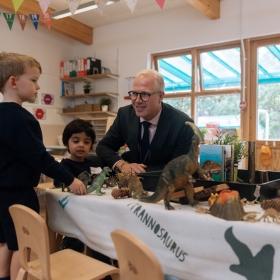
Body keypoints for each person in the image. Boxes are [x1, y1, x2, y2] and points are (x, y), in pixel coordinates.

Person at [0, 52, 86, 280]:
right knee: (22, 245)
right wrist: (70, 179)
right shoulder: (22, 118)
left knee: (5, 242)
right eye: (34, 80)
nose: (38, 87)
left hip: (1, 193)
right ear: (14, 82)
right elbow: (39, 157)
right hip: (18, 195)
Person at [96, 69, 194, 175]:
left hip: (163, 182)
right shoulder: (125, 115)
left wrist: (137, 172)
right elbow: (103, 147)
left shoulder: (183, 125)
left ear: (160, 97)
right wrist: (122, 165)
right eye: (134, 93)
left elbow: (178, 168)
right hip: (130, 181)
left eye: (145, 94)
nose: (137, 100)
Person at [53, 118, 114, 274]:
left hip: (97, 211)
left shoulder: (93, 163)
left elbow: (105, 181)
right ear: (67, 143)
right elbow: (58, 182)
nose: (81, 145)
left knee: (103, 235)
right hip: (75, 214)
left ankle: (105, 266)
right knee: (89, 238)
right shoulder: (65, 166)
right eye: (76, 141)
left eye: (86, 142)